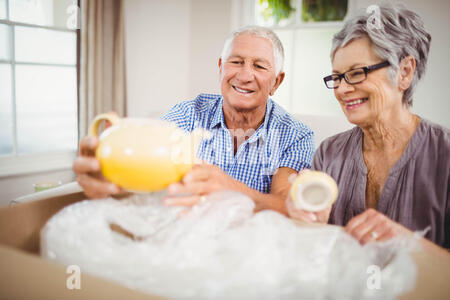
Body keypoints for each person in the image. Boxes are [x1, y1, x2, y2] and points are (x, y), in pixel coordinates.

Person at [73, 26, 314, 214]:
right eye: (236, 61)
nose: (244, 75)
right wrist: (109, 174)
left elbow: (289, 207)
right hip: (186, 240)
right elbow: (146, 157)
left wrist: (230, 189)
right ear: (221, 67)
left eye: (259, 66)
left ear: (277, 82)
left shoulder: (295, 135)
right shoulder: (189, 114)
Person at [287, 4, 449, 250]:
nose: (341, 89)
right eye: (337, 77)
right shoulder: (328, 154)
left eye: (357, 73)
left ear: (404, 72)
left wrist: (411, 246)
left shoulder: (444, 156)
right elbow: (314, 257)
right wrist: (307, 227)